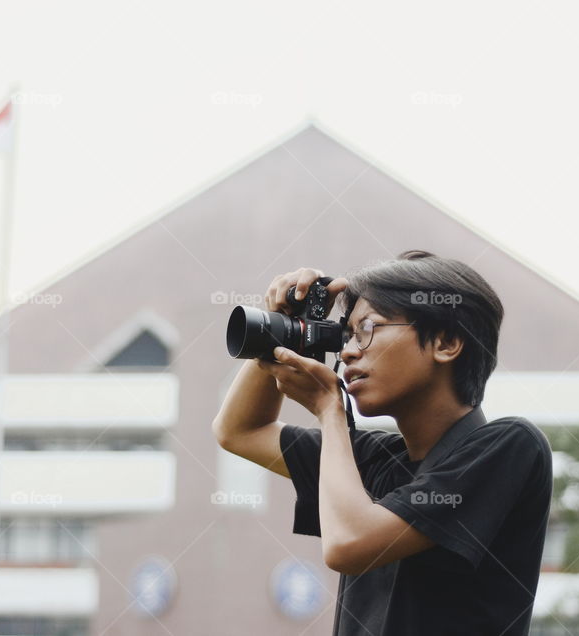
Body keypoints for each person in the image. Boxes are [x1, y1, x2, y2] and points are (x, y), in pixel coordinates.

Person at [212, 250, 553, 635]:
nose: (348, 351)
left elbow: (350, 545)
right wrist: (286, 326)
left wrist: (330, 410)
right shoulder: (375, 457)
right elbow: (240, 431)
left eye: (368, 329)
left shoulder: (509, 446)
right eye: (347, 335)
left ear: (445, 342)